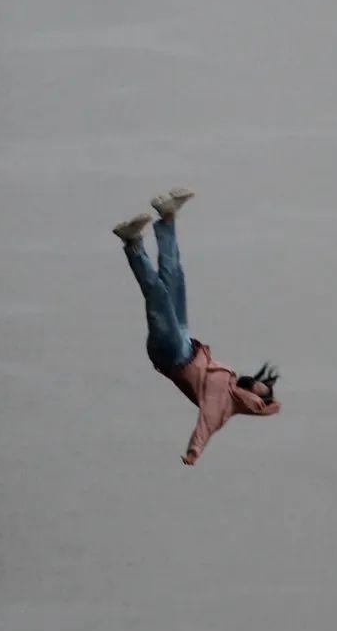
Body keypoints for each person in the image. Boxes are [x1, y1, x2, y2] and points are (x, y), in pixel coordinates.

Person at [113, 189, 281, 466]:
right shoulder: (231, 382)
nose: (256, 383)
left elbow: (204, 428)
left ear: (254, 400)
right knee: (174, 277)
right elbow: (269, 400)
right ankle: (167, 217)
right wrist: (266, 397)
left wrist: (193, 452)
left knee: (158, 295)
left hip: (172, 355)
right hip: (186, 342)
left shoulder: (222, 406)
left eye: (258, 389)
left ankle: (133, 244)